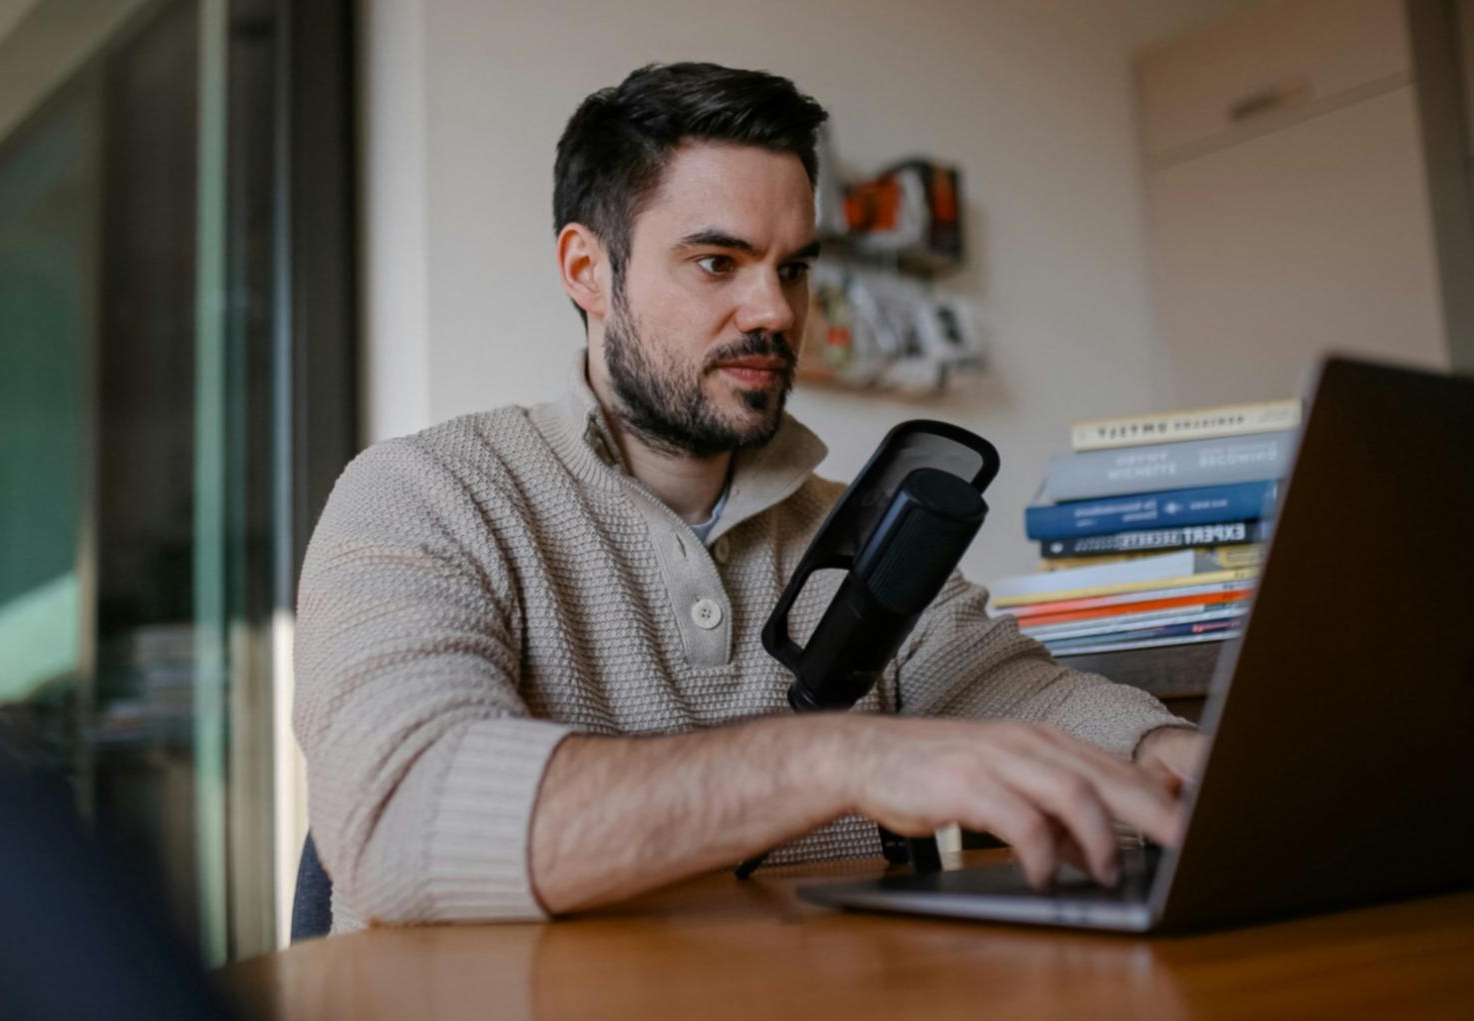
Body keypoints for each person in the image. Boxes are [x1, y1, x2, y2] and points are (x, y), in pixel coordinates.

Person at [294, 62, 1203, 930]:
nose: (774, 311)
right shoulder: (422, 495)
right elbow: (403, 819)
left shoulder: (858, 524)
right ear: (586, 270)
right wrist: (842, 757)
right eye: (718, 263)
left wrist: (1158, 755)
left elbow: (1005, 690)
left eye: (795, 268)